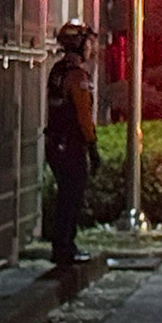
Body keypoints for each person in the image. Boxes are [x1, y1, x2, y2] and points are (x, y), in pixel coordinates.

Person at [45, 20, 102, 265]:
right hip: (71, 146)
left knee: (65, 197)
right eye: (89, 41)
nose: (91, 47)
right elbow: (83, 116)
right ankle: (65, 247)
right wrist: (92, 146)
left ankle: (62, 246)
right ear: (79, 44)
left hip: (55, 143)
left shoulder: (57, 71)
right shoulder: (78, 76)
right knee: (72, 197)